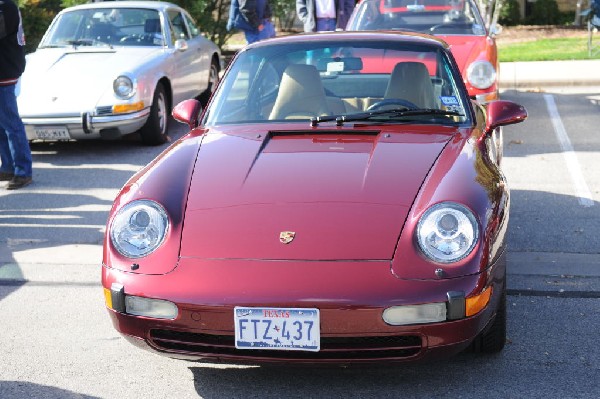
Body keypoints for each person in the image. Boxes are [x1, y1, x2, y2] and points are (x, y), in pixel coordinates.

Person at [0, 0, 32, 190]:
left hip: (5, 70)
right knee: (2, 124)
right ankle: (8, 166)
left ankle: (23, 171)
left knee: (11, 124)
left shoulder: (6, 6)